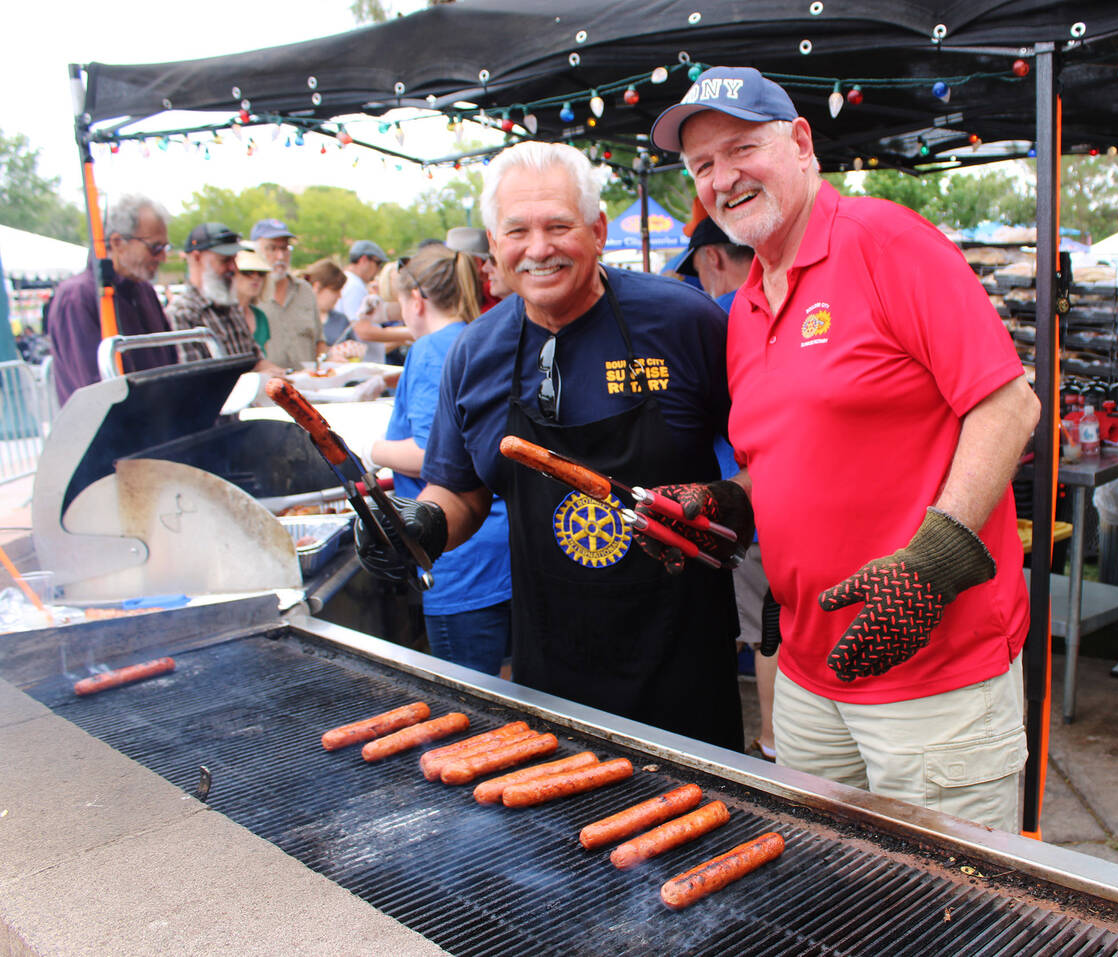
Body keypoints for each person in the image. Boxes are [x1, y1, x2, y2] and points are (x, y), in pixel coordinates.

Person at [648, 67, 1041, 831]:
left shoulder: (886, 241)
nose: (724, 179)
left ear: (800, 144)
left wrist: (938, 557)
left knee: (948, 917)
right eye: (702, 166)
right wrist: (731, 501)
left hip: (936, 682)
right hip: (806, 675)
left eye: (742, 148)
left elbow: (1007, 402)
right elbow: (785, 457)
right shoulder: (745, 305)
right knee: (827, 903)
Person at [355, 140, 747, 751]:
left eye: (559, 225)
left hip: (683, 651)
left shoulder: (684, 322)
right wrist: (421, 524)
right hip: (552, 662)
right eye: (518, 230)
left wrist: (731, 499)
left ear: (596, 229)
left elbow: (768, 454)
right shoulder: (475, 352)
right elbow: (460, 489)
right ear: (494, 242)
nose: (539, 248)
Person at [365, 243, 512, 675]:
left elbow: (434, 453)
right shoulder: (480, 337)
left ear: (416, 300)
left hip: (460, 557)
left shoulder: (430, 350)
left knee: (470, 708)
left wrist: (369, 449)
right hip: (500, 551)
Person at [681, 215, 776, 760]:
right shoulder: (777, 305)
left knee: (770, 629)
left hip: (743, 507)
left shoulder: (720, 314)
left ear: (713, 258)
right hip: (778, 501)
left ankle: (772, 743)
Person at [47, 194, 178, 403]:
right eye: (155, 247)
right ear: (118, 242)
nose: (162, 257)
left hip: (158, 427)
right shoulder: (76, 297)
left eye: (165, 248)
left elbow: (171, 362)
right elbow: (93, 389)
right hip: (111, 431)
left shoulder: (144, 290)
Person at [166, 222, 284, 375]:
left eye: (234, 260)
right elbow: (196, 380)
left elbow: (256, 360)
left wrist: (280, 375)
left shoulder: (231, 306)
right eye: (225, 260)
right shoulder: (181, 313)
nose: (233, 268)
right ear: (197, 258)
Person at [251, 218, 325, 370]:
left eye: (285, 248)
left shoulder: (305, 290)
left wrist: (329, 361)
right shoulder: (250, 294)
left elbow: (319, 342)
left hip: (306, 386)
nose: (280, 256)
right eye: (272, 248)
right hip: (267, 387)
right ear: (255, 252)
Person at [233, 248, 271, 352]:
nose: (256, 277)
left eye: (261, 273)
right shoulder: (220, 315)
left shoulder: (260, 316)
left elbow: (264, 359)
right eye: (248, 272)